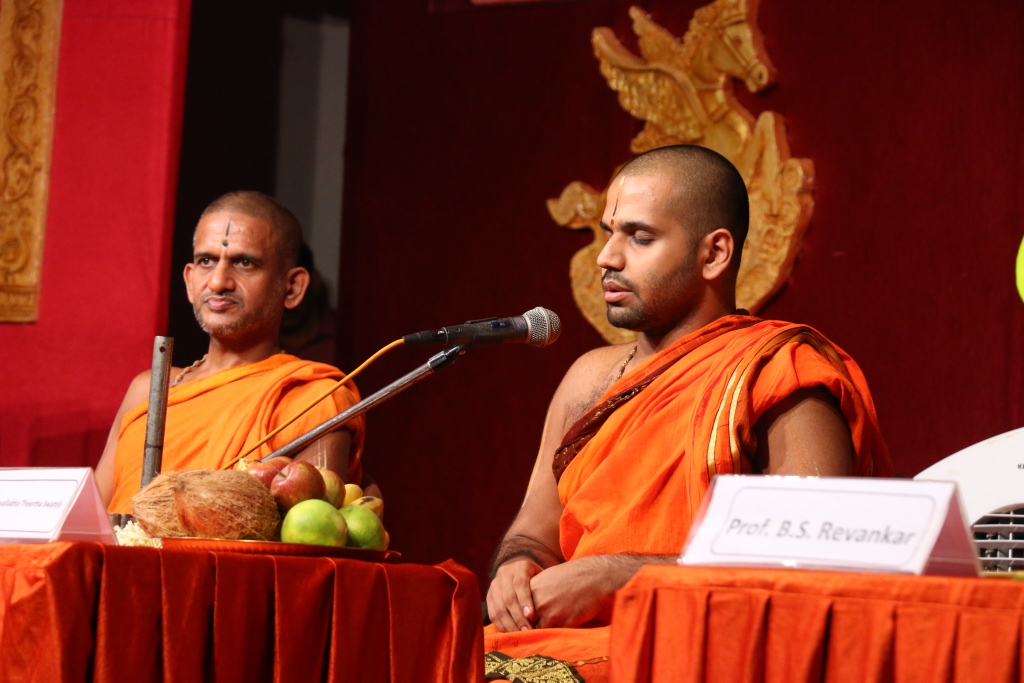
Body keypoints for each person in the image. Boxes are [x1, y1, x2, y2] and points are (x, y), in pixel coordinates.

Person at [483, 146, 892, 682]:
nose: (607, 257)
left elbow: (812, 560)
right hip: (552, 644)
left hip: (692, 652)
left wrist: (619, 580)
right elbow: (533, 534)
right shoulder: (588, 379)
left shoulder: (777, 371)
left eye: (639, 237)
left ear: (714, 253)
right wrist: (515, 569)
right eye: (608, 233)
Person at [96, 191, 364, 514]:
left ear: (292, 287)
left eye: (244, 263)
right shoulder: (150, 389)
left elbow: (308, 531)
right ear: (189, 280)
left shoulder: (312, 399)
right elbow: (88, 518)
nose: (218, 282)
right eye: (206, 261)